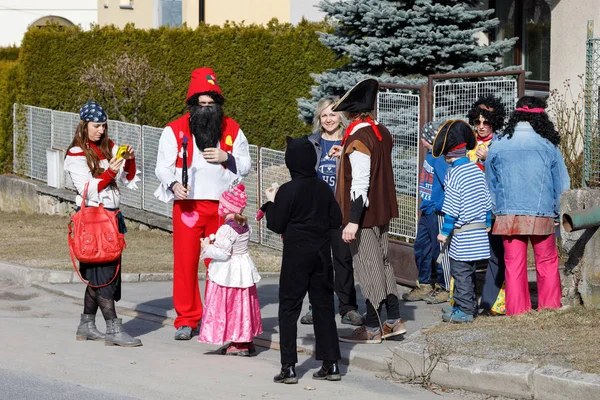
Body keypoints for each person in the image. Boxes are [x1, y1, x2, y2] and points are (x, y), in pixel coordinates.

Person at [155, 67, 251, 341]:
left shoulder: (232, 128)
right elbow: (161, 167)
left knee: (219, 262)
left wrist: (226, 157)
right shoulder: (174, 129)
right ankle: (186, 318)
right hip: (188, 206)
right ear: (193, 103)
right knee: (185, 263)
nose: (207, 109)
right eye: (202, 103)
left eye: (211, 104)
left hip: (222, 207)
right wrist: (174, 184)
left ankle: (216, 316)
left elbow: (245, 164)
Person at [329, 79, 407, 344]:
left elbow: (361, 183)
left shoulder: (358, 137)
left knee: (369, 268)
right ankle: (393, 321)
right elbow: (375, 165)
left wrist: (352, 221)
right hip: (383, 209)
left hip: (364, 214)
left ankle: (372, 327)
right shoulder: (380, 131)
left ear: (350, 112)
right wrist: (346, 153)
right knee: (384, 264)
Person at [263, 135, 342, 384]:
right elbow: (336, 220)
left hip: (296, 255)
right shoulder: (322, 187)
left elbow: (276, 224)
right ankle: (331, 363)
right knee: (323, 307)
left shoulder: (288, 190)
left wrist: (269, 203)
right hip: (321, 254)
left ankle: (288, 367)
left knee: (289, 308)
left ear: (290, 162)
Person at [65, 101, 142, 347]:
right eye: (96, 126)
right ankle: (113, 329)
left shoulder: (109, 147)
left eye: (103, 126)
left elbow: (129, 178)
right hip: (92, 219)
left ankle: (86, 324)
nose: (101, 130)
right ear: (84, 125)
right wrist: (109, 171)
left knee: (99, 272)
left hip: (112, 217)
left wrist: (128, 159)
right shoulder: (75, 153)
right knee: (104, 275)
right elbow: (87, 190)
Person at [485, 96, 570, 316]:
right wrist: (556, 212)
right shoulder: (548, 145)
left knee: (513, 264)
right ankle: (550, 307)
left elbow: (490, 183)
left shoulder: (499, 143)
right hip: (542, 213)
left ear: (516, 115)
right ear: (541, 117)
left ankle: (517, 310)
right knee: (547, 261)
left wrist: (497, 208)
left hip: (508, 214)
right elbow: (562, 184)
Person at [301, 96, 364, 326]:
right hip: (315, 214)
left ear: (341, 116)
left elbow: (358, 175)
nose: (328, 119)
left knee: (343, 261)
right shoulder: (312, 143)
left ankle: (348, 308)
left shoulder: (350, 142)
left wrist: (345, 154)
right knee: (316, 263)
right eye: (324, 114)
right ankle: (315, 306)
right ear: (319, 117)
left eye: (333, 114)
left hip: (340, 213)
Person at [433, 120, 492, 324]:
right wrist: (487, 221)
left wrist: (444, 231)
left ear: (449, 154)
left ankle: (465, 310)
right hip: (479, 233)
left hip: (462, 235)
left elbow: (452, 206)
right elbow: (487, 199)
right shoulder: (476, 170)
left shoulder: (454, 173)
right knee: (471, 271)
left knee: (461, 273)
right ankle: (466, 306)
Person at [198, 183, 263, 356]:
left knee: (230, 304)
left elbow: (223, 253)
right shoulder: (245, 226)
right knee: (243, 304)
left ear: (227, 207)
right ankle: (245, 339)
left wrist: (206, 247)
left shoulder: (226, 229)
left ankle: (238, 342)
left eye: (222, 204)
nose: (220, 207)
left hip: (229, 270)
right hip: (243, 266)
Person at [466, 95, 508, 316]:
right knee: (466, 257)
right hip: (469, 209)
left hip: (491, 210)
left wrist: (488, 158)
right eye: (478, 122)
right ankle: (465, 303)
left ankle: (491, 303)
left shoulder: (500, 144)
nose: (481, 127)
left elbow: (505, 176)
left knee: (495, 254)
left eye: (487, 122)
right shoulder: (467, 142)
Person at [403, 121, 451, 303]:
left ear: (428, 140)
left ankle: (446, 287)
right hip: (427, 210)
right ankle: (424, 284)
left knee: (439, 250)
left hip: (437, 212)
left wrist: (438, 206)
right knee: (421, 246)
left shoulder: (439, 159)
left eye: (424, 137)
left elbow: (449, 185)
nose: (422, 140)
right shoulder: (431, 156)